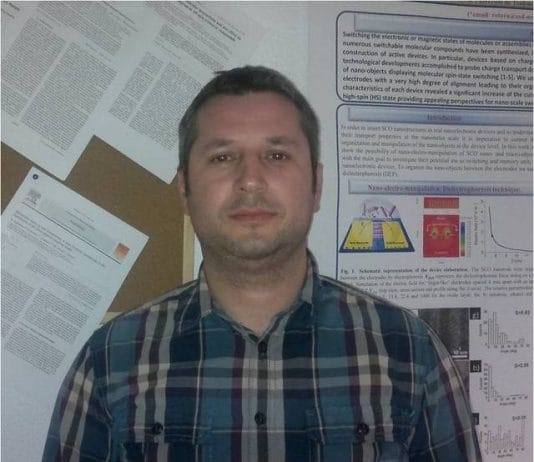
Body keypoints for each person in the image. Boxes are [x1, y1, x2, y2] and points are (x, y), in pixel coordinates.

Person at [43, 66, 481, 461]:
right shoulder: (111, 361)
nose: (250, 180)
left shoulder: (409, 353)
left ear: (316, 185)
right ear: (184, 191)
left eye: (277, 156)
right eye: (222, 157)